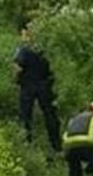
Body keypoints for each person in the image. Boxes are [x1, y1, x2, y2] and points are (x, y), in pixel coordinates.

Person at [13, 26, 61, 155]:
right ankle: (56, 145)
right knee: (50, 115)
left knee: (25, 116)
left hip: (28, 86)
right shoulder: (44, 50)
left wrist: (16, 79)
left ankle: (26, 143)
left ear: (28, 34)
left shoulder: (23, 49)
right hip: (45, 85)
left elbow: (18, 67)